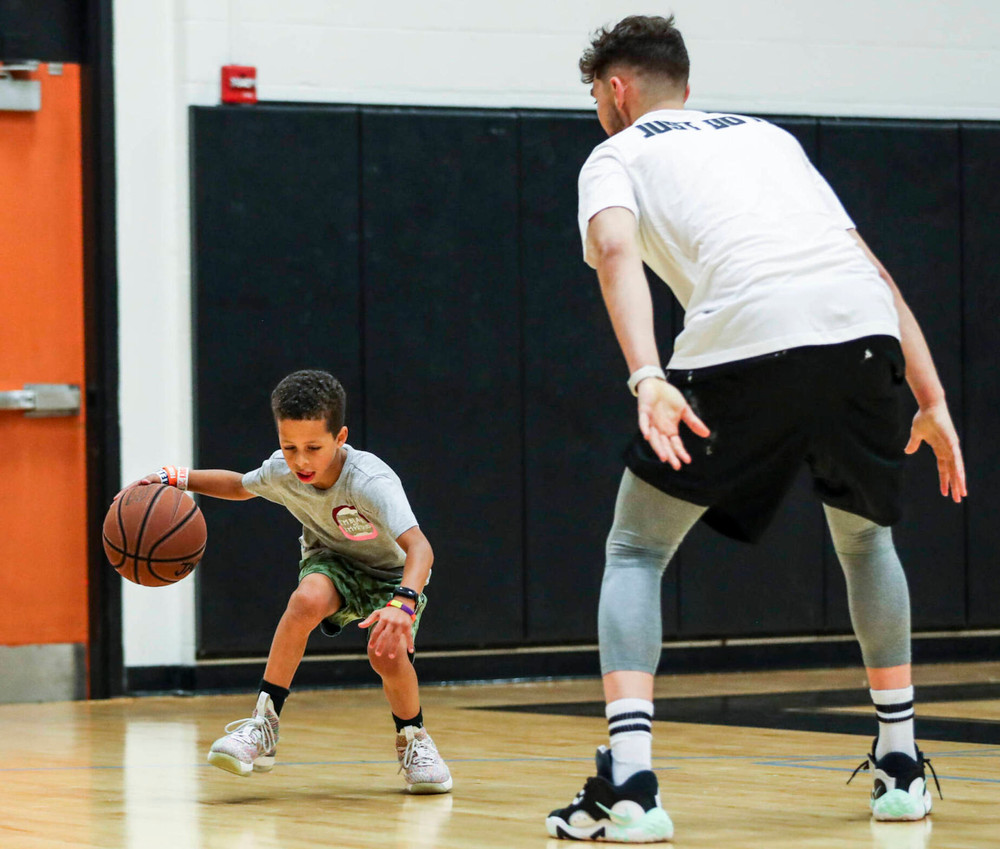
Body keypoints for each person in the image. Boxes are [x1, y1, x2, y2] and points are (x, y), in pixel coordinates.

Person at [545, 14, 965, 842]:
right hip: (864, 334)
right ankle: (903, 765)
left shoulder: (616, 153)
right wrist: (933, 398)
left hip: (748, 335)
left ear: (616, 91)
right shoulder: (769, 138)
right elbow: (870, 263)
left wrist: (648, 375)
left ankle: (629, 784)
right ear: (687, 86)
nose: (600, 108)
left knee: (635, 549)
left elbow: (619, 254)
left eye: (597, 94)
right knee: (867, 541)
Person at [124, 369, 452, 794]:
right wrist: (174, 477)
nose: (300, 460)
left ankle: (414, 740)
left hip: (393, 575)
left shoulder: (370, 481)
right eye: (289, 446)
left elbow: (421, 548)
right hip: (332, 561)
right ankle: (264, 726)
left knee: (385, 657)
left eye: (313, 448)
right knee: (305, 599)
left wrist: (404, 602)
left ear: (340, 437)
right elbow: (241, 486)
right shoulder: (283, 471)